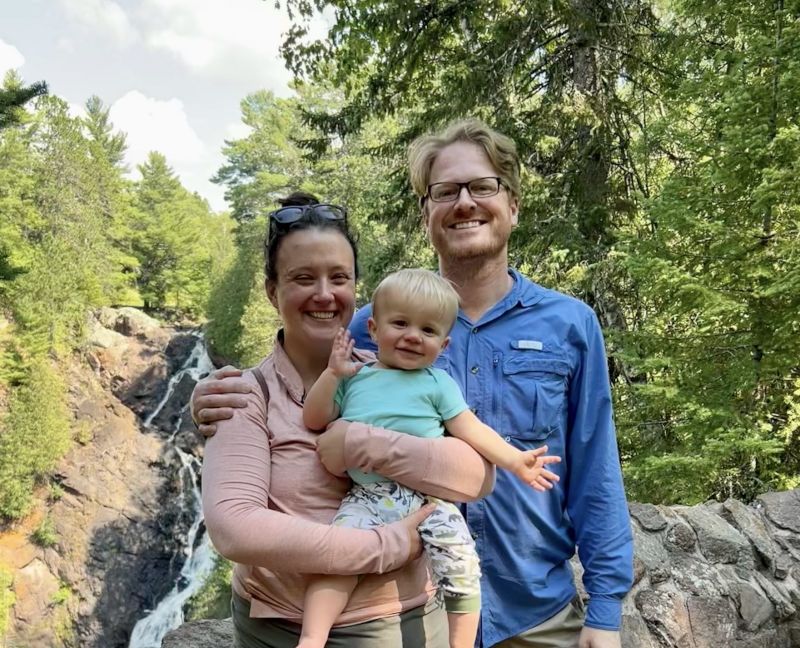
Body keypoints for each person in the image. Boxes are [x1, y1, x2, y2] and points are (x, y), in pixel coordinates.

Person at [193, 119, 634, 648]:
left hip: (534, 610)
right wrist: (210, 395)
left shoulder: (569, 324)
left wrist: (605, 606)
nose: (465, 203)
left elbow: (594, 469)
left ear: (513, 204)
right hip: (413, 619)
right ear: (426, 214)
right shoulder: (372, 327)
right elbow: (301, 369)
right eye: (445, 191)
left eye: (482, 186)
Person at [199, 191, 495, 648]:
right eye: (303, 278)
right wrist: (386, 545)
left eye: (338, 278)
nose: (324, 294)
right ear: (272, 291)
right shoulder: (244, 393)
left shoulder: (402, 374)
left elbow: (478, 478)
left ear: (356, 289)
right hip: (281, 633)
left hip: (407, 627)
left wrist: (361, 443)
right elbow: (235, 527)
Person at [298, 268, 561, 648]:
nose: (412, 336)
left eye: (428, 330)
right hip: (367, 497)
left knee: (463, 564)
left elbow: (472, 430)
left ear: (444, 345)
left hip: (427, 497)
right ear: (373, 329)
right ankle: (312, 637)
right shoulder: (355, 378)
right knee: (339, 557)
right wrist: (332, 375)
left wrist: (515, 461)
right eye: (400, 323)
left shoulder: (438, 384)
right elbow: (314, 418)